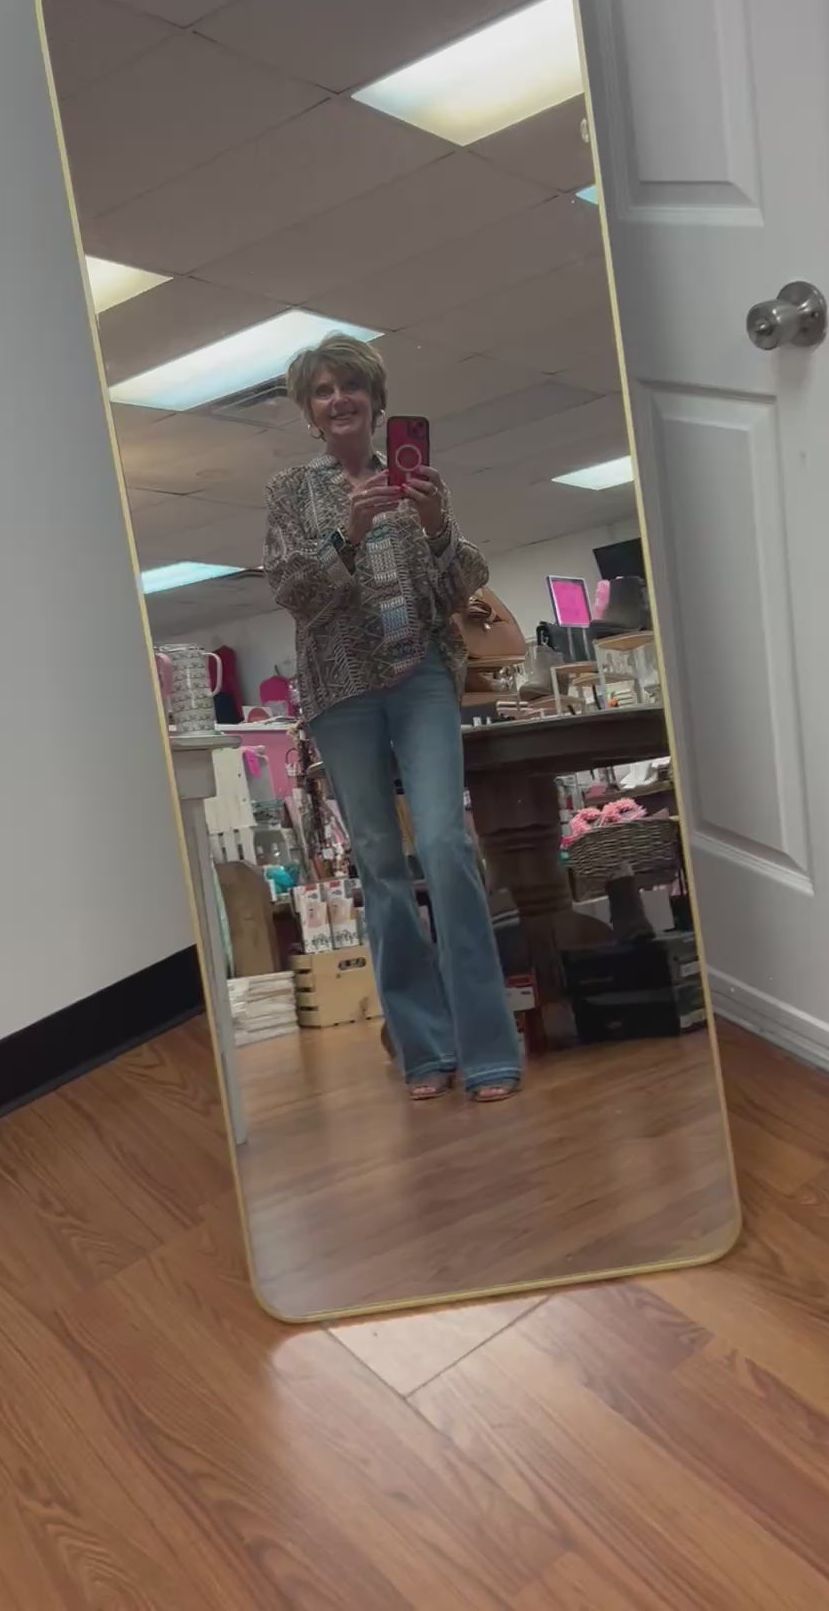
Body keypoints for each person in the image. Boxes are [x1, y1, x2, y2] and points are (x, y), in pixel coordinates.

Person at [263, 334, 522, 1103]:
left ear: (376, 401)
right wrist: (346, 534)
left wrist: (438, 526)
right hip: (340, 692)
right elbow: (295, 596)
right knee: (379, 862)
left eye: (350, 386)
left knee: (444, 845)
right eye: (322, 390)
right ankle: (424, 1050)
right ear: (310, 411)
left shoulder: (413, 482)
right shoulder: (291, 493)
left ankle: (488, 1048)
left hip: (422, 681)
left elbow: (458, 587)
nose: (338, 398)